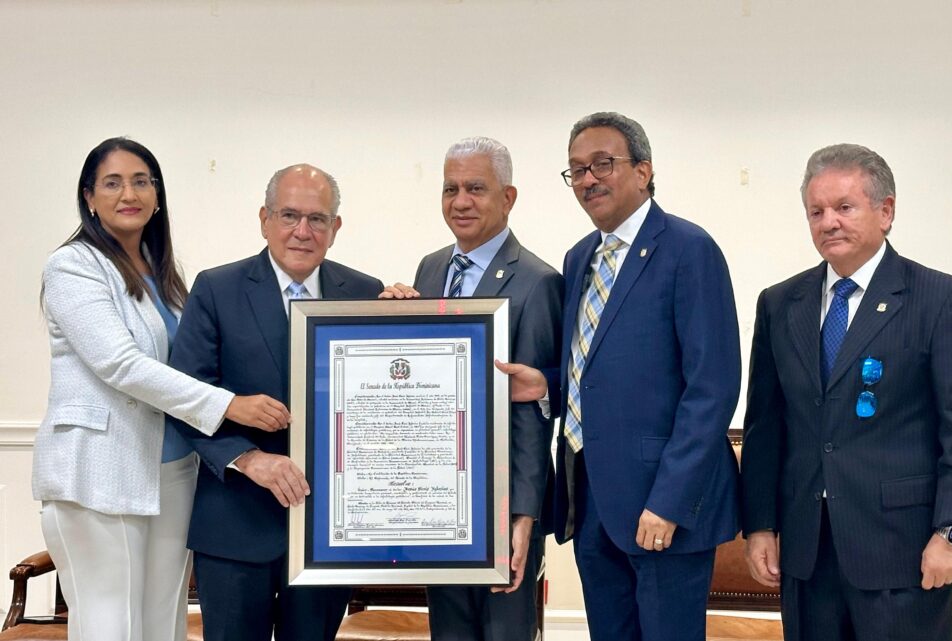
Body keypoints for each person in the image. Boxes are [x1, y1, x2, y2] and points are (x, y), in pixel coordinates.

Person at [32, 137, 290, 641]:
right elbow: (120, 364)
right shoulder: (73, 266)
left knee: (163, 625)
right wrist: (230, 406)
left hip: (171, 474)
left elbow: (195, 363)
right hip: (100, 473)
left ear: (157, 194)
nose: (129, 193)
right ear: (88, 196)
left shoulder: (165, 275)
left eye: (141, 181)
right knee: (111, 626)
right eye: (112, 182)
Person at [497, 112, 742, 641]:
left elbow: (713, 388)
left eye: (602, 164)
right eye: (576, 170)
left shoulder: (688, 249)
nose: (588, 179)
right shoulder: (580, 256)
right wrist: (546, 384)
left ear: (643, 171)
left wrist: (668, 501)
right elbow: (598, 370)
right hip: (591, 505)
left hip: (662, 509)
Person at [741, 143, 952, 641]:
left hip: (903, 552)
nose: (828, 222)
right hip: (806, 552)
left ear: (886, 211)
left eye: (844, 207)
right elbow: (765, 426)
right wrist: (759, 526)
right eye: (816, 212)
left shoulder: (942, 300)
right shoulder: (779, 303)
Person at [167, 164, 384, 641]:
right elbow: (183, 394)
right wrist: (246, 458)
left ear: (336, 228)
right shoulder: (216, 289)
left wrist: (409, 315)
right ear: (264, 219)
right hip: (235, 525)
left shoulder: (368, 293)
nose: (302, 231)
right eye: (289, 215)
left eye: (318, 219)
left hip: (328, 533)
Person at [381, 136, 563, 641]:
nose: (460, 201)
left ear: (508, 198)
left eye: (476, 188)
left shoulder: (537, 282)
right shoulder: (430, 268)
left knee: (505, 632)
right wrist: (387, 317)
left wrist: (523, 517)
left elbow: (534, 411)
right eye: (450, 189)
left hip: (501, 506)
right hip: (439, 502)